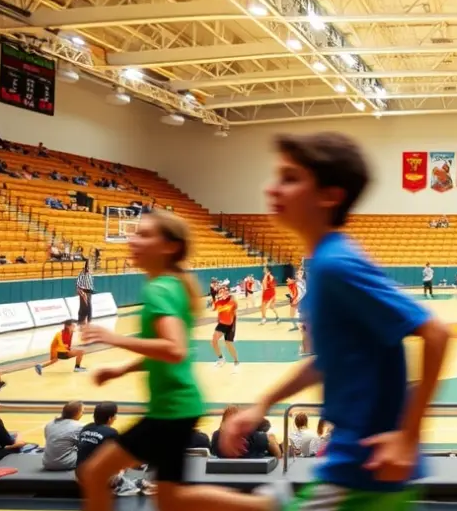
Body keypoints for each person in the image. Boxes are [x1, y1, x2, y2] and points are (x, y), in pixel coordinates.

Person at [220, 132, 452, 511]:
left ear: (330, 195)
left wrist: (409, 437)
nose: (272, 188)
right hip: (356, 464)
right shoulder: (327, 262)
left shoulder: (335, 265)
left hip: (367, 468)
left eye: (290, 178)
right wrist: (263, 403)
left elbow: (437, 332)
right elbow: (329, 361)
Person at [78, 210, 286, 511]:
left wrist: (113, 338)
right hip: (180, 407)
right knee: (169, 498)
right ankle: (267, 505)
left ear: (169, 246)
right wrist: (122, 369)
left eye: (145, 234)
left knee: (95, 474)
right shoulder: (173, 285)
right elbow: (169, 354)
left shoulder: (160, 289)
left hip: (170, 411)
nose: (133, 240)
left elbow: (173, 349)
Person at [43, 401, 85, 471]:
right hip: (65, 464)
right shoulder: (79, 426)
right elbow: (83, 446)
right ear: (76, 413)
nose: (82, 414)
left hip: (47, 463)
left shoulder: (49, 424)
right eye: (82, 412)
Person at [212, 287, 241, 374]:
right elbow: (218, 312)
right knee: (213, 341)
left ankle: (236, 362)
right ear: (219, 294)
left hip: (230, 324)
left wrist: (231, 297)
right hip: (221, 324)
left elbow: (235, 307)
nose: (223, 293)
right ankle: (221, 359)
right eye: (221, 292)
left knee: (228, 343)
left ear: (228, 292)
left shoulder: (232, 301)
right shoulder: (218, 303)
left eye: (225, 291)